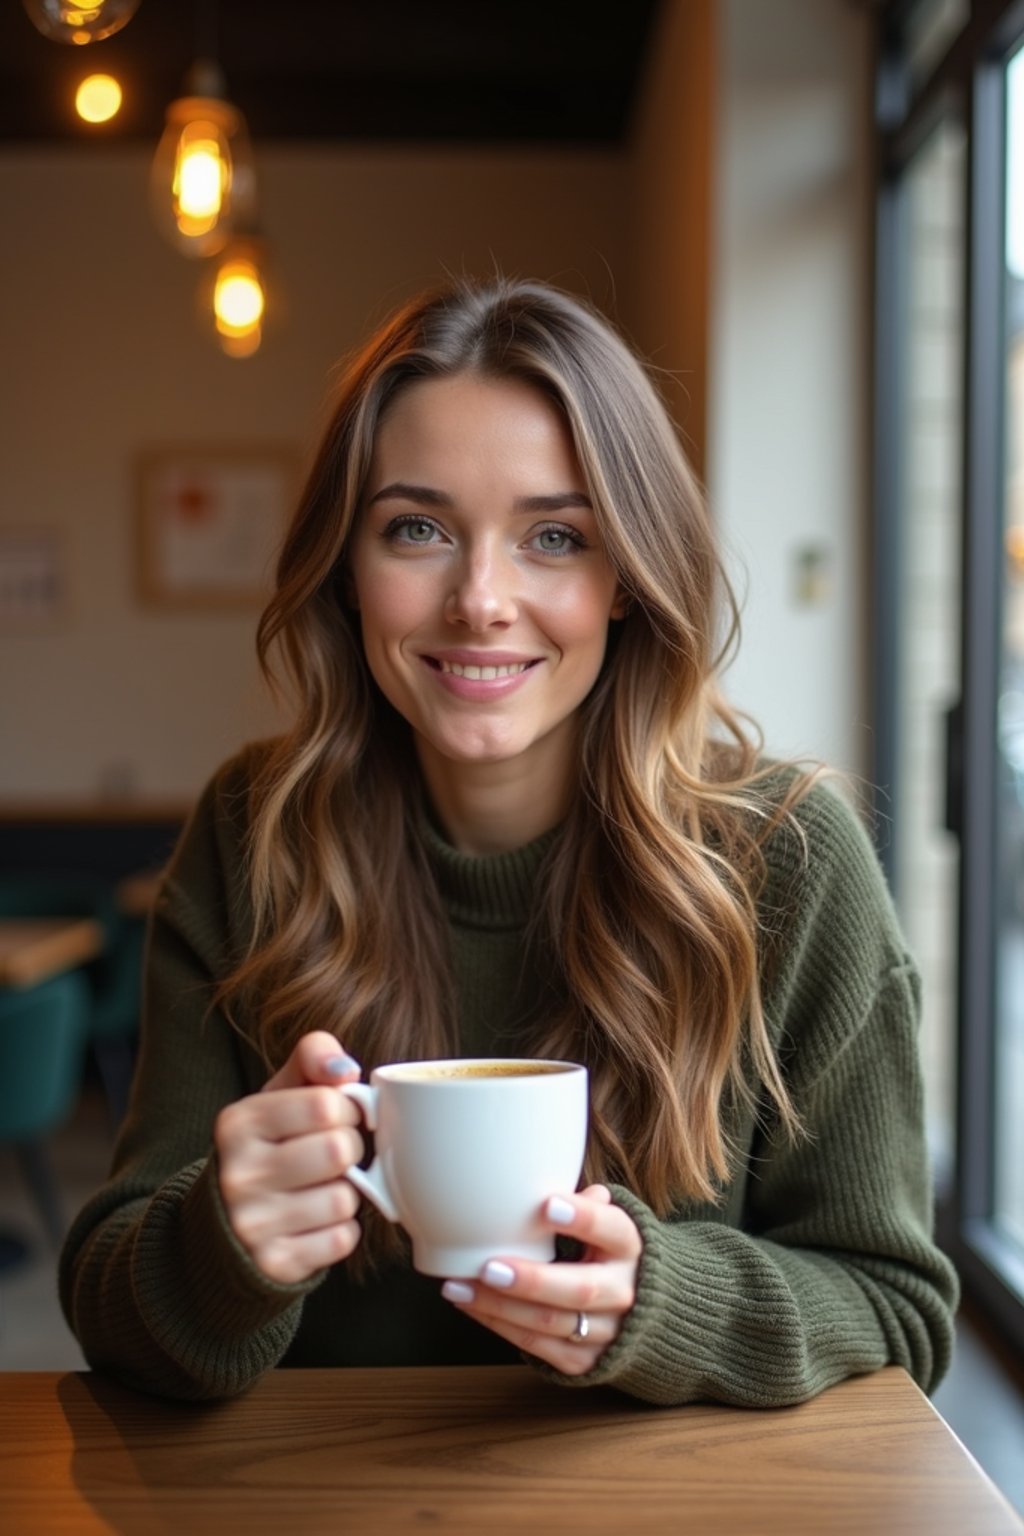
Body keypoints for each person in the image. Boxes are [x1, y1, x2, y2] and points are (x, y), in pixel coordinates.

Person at [59, 277, 958, 1404]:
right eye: (418, 529)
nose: (480, 600)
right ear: (346, 567)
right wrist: (217, 1245)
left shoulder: (788, 859)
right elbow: (105, 1300)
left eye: (553, 536)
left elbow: (897, 1309)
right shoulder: (255, 836)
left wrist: (664, 1304)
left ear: (627, 577)